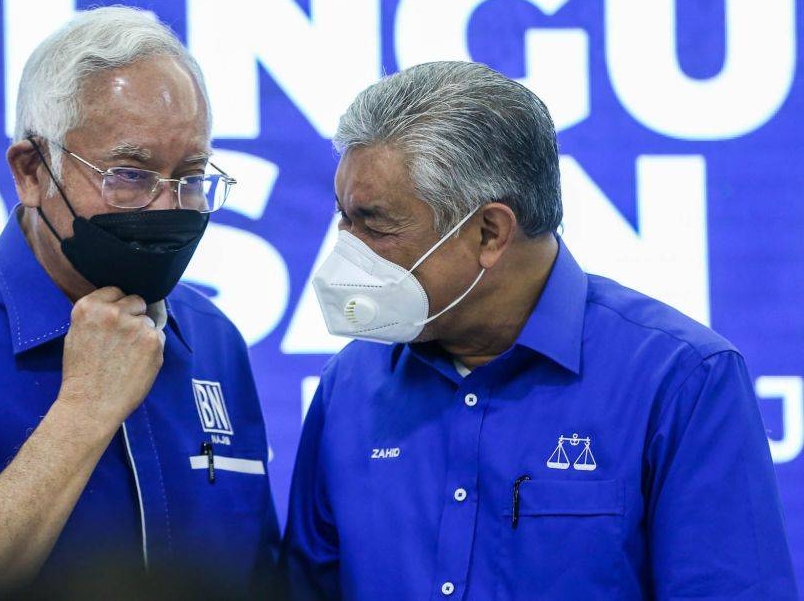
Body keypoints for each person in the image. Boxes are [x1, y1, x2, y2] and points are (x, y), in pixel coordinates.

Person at [282, 61, 798, 600]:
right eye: (344, 218)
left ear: (490, 232)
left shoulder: (681, 380)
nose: (346, 249)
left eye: (374, 224)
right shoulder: (350, 385)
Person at [0, 6, 279, 601]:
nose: (167, 206)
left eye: (191, 176)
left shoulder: (212, 337)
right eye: (130, 175)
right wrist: (84, 411)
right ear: (32, 172)